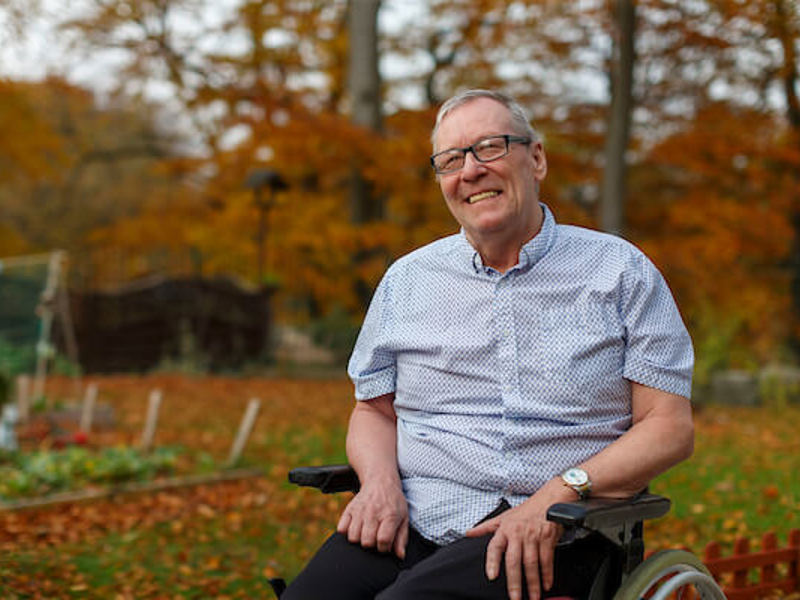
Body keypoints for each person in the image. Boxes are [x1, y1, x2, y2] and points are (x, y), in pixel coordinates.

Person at [282, 89, 694, 600]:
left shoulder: (620, 272)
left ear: (536, 158)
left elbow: (669, 427)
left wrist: (560, 492)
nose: (471, 170)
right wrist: (379, 484)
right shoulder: (407, 280)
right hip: (417, 512)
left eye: (489, 147)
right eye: (451, 160)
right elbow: (374, 410)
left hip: (563, 527)